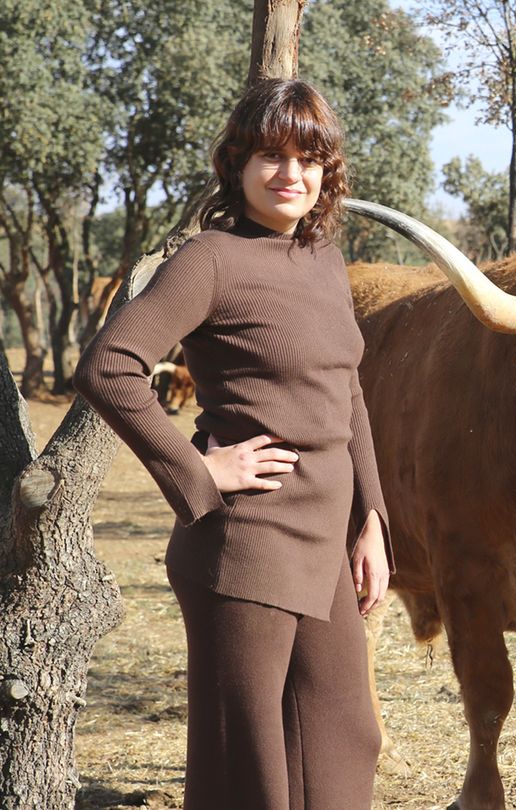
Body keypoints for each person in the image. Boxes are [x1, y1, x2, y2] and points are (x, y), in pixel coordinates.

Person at [75, 78, 392, 809]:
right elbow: (109, 366)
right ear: (237, 165)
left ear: (328, 172)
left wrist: (372, 518)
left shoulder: (325, 261)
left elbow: (348, 394)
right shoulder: (211, 259)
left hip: (322, 540)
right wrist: (199, 470)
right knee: (246, 769)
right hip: (246, 547)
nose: (292, 175)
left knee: (346, 737)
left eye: (309, 160)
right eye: (271, 156)